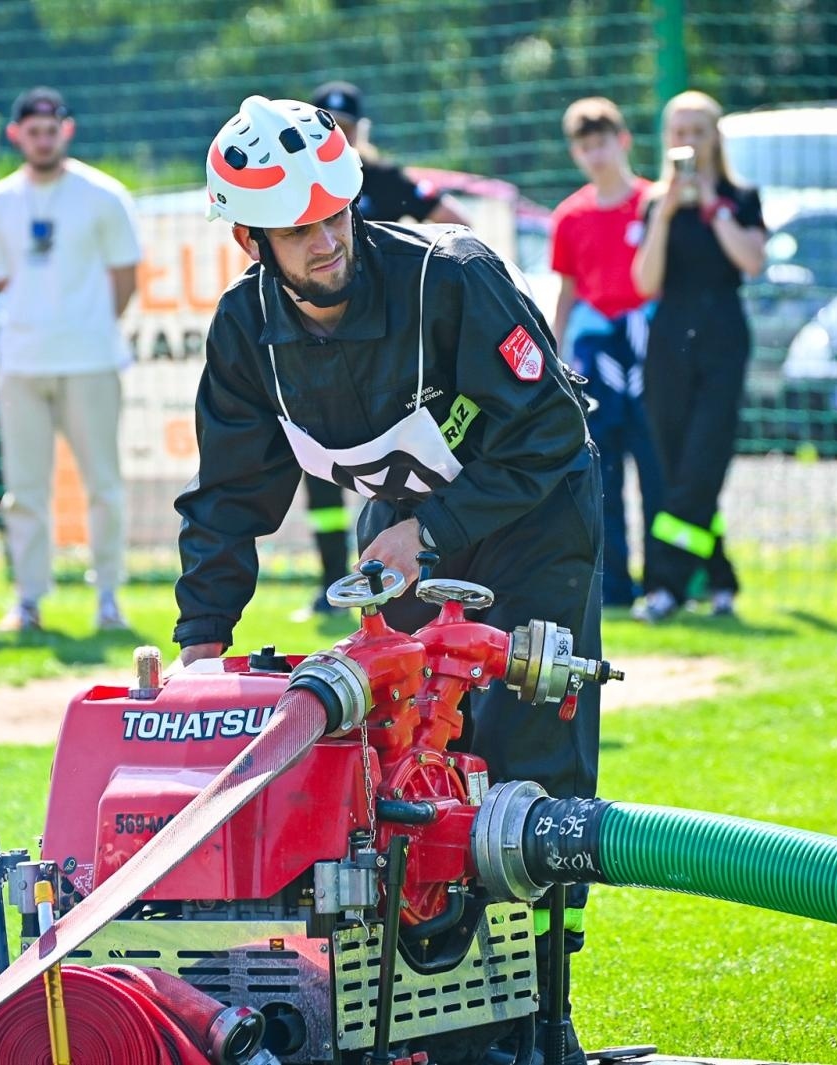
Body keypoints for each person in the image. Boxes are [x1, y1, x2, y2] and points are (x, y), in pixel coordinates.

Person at [175, 95, 600, 1062]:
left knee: (527, 764)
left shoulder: (447, 277)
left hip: (530, 522)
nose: (327, 240)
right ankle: (412, 1012)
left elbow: (550, 430)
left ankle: (537, 1021)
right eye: (298, 227)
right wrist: (203, 642)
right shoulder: (245, 332)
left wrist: (433, 530)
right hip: (403, 539)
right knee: (391, 763)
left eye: (336, 213)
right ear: (251, 238)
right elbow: (229, 498)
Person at [287, 81, 473, 619]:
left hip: (388, 343)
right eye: (328, 125)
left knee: (400, 467)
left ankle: (403, 580)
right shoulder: (293, 191)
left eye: (346, 127)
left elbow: (452, 219)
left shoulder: (383, 178)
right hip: (321, 348)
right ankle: (330, 584)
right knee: (320, 471)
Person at [0, 87, 143, 633]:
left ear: (65, 131)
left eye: (51, 130)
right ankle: (28, 601)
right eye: (33, 131)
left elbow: (125, 277)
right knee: (24, 489)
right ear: (16, 134)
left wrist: (91, 328)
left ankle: (109, 598)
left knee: (103, 484)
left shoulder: (103, 194)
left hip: (90, 359)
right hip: (20, 362)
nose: (42, 140)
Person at [630, 90, 767, 622]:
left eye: (697, 132)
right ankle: (719, 577)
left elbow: (752, 261)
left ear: (715, 138)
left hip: (722, 337)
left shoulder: (740, 196)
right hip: (668, 340)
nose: (686, 142)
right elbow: (646, 282)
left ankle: (664, 586)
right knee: (675, 464)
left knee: (703, 464)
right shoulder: (653, 203)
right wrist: (665, 214)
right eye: (677, 132)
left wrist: (712, 205)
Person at [550, 97, 668, 607]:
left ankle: (671, 579)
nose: (594, 154)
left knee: (659, 464)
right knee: (605, 471)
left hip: (650, 350)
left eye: (601, 142)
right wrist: (555, 350)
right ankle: (616, 583)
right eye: (583, 146)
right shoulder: (570, 216)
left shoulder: (654, 202)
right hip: (596, 356)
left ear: (623, 140)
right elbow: (568, 290)